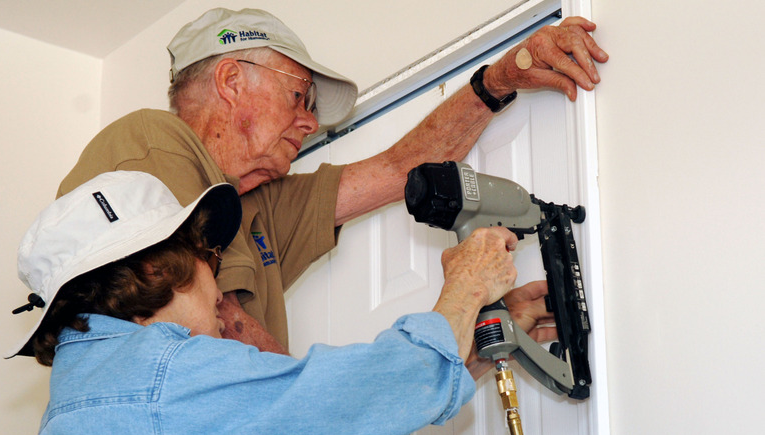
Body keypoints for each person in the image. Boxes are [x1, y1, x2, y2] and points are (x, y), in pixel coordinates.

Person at [57, 8, 607, 353]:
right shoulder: (150, 142)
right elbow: (198, 334)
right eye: (299, 96)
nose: (310, 122)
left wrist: (501, 78)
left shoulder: (259, 206)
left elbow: (400, 169)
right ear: (229, 81)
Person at [7, 170, 545, 435]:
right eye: (205, 255)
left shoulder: (79, 409)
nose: (221, 293)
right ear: (154, 269)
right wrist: (469, 285)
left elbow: (328, 423)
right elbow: (350, 395)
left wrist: (474, 347)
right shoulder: (162, 378)